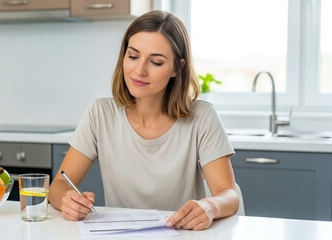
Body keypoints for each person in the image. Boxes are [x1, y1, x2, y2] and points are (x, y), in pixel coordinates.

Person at [49, 10, 239, 231]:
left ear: (177, 69)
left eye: (156, 62)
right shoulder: (100, 113)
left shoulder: (202, 117)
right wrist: (67, 200)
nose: (139, 71)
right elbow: (59, 185)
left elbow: (229, 194)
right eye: (132, 56)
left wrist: (210, 206)